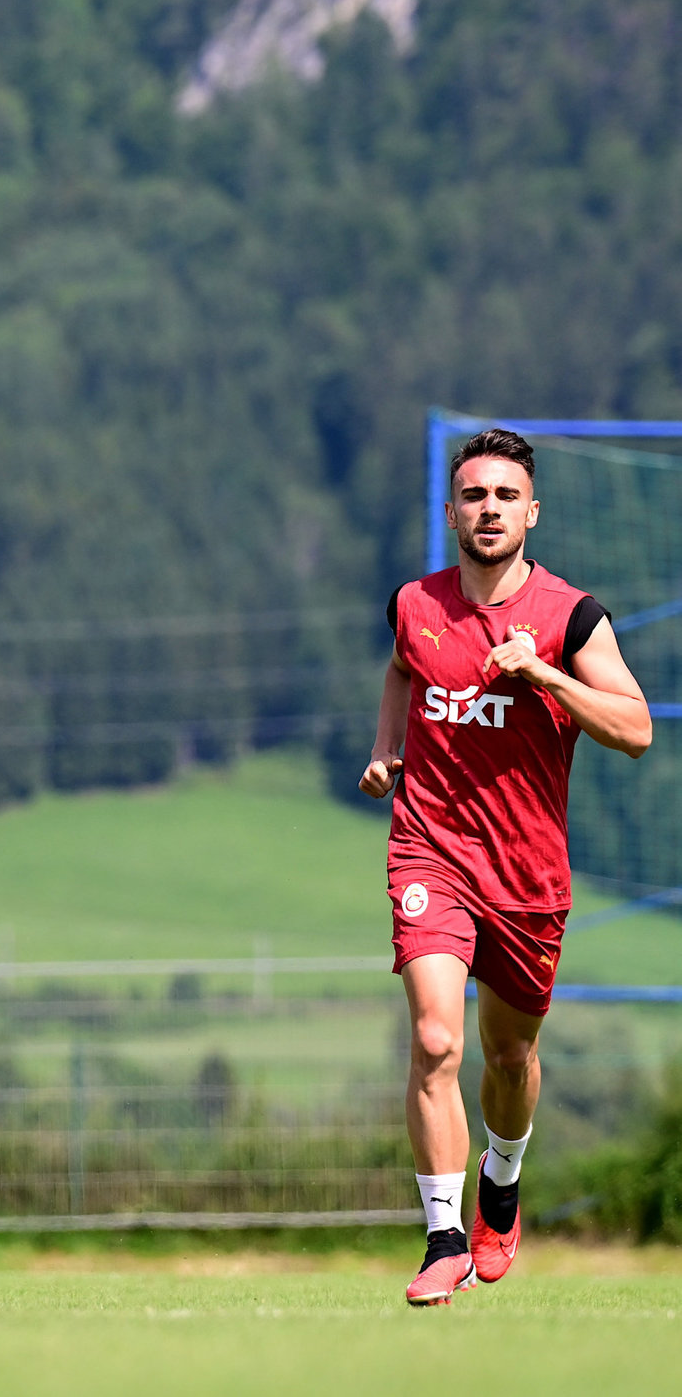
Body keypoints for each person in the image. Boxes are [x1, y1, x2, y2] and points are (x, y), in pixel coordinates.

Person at [361, 428, 651, 1306]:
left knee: (510, 1055)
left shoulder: (571, 616)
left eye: (503, 496)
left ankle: (503, 1174)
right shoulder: (414, 602)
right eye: (472, 496)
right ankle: (442, 1236)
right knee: (435, 1040)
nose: (486, 509)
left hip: (526, 873)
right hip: (429, 852)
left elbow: (635, 729)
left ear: (531, 512)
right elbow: (402, 672)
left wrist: (547, 678)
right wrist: (384, 751)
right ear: (450, 512)